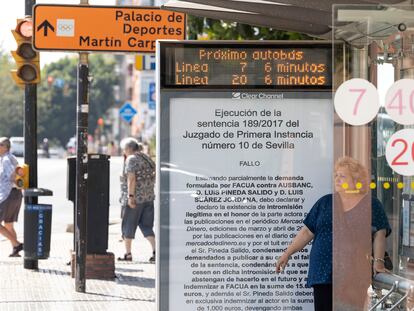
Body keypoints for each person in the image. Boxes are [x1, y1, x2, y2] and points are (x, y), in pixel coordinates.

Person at [275, 157, 391, 311]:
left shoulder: (371, 204)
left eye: (342, 175)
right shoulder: (325, 202)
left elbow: (380, 234)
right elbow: (307, 232)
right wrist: (287, 253)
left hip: (353, 274)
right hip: (323, 272)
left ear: (356, 179)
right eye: (336, 175)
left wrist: (378, 262)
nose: (337, 178)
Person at [118, 137, 156, 263]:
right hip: (148, 197)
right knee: (147, 226)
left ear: (128, 149)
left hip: (135, 199)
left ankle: (128, 254)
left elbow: (131, 179)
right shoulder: (146, 158)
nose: (123, 152)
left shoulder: (131, 159)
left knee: (128, 225)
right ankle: (155, 251)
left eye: (124, 150)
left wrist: (130, 197)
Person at [0, 137, 23, 257]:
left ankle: (17, 244)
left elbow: (12, 176)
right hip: (15, 194)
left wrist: (20, 186)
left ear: (5, 147)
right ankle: (15, 249)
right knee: (8, 224)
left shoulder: (6, 159)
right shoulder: (11, 157)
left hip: (7, 194)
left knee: (5, 224)